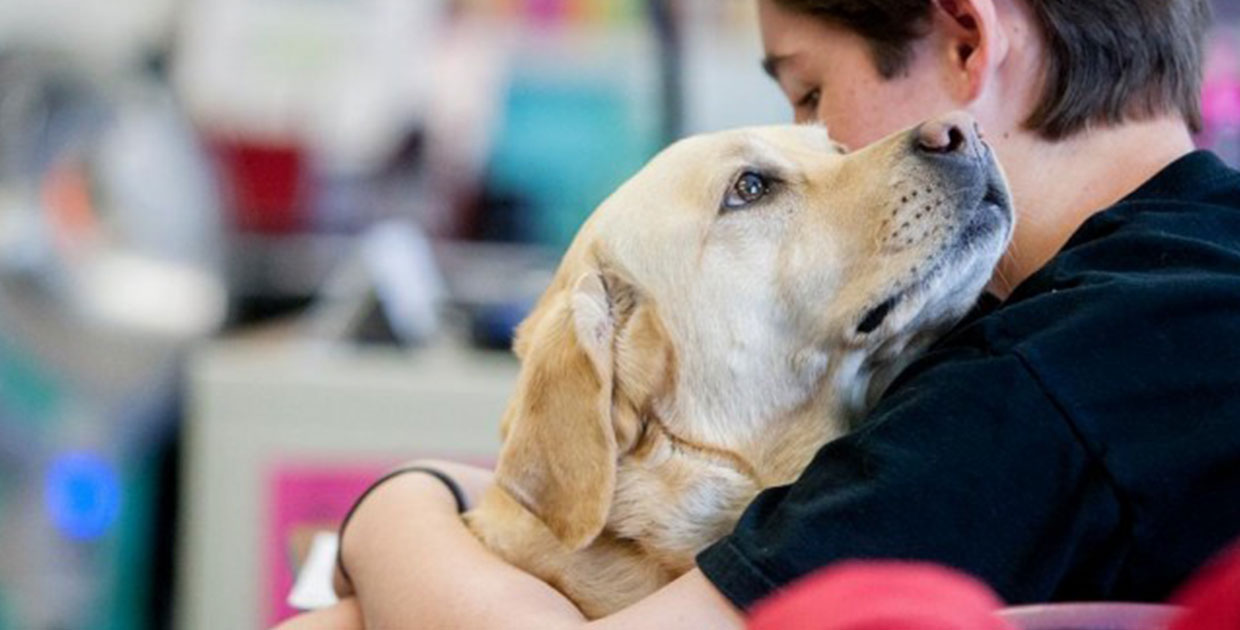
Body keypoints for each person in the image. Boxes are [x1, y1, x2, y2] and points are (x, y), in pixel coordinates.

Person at [277, 0, 1240, 627]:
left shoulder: (1037, 385)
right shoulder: (1192, 264)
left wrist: (383, 513)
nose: (831, 150)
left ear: (965, 38)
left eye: (814, 94)